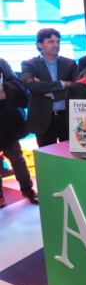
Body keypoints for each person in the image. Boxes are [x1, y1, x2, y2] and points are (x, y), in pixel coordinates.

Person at [21, 28, 78, 147]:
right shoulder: (29, 64)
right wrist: (63, 83)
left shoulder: (70, 63)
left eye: (58, 41)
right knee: (47, 159)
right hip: (42, 120)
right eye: (51, 41)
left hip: (67, 118)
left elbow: (76, 89)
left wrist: (51, 93)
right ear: (40, 44)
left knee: (70, 156)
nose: (56, 45)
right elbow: (31, 85)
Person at [0, 58, 38, 207]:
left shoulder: (2, 62)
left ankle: (27, 190)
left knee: (17, 158)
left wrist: (4, 91)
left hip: (7, 123)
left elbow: (17, 88)